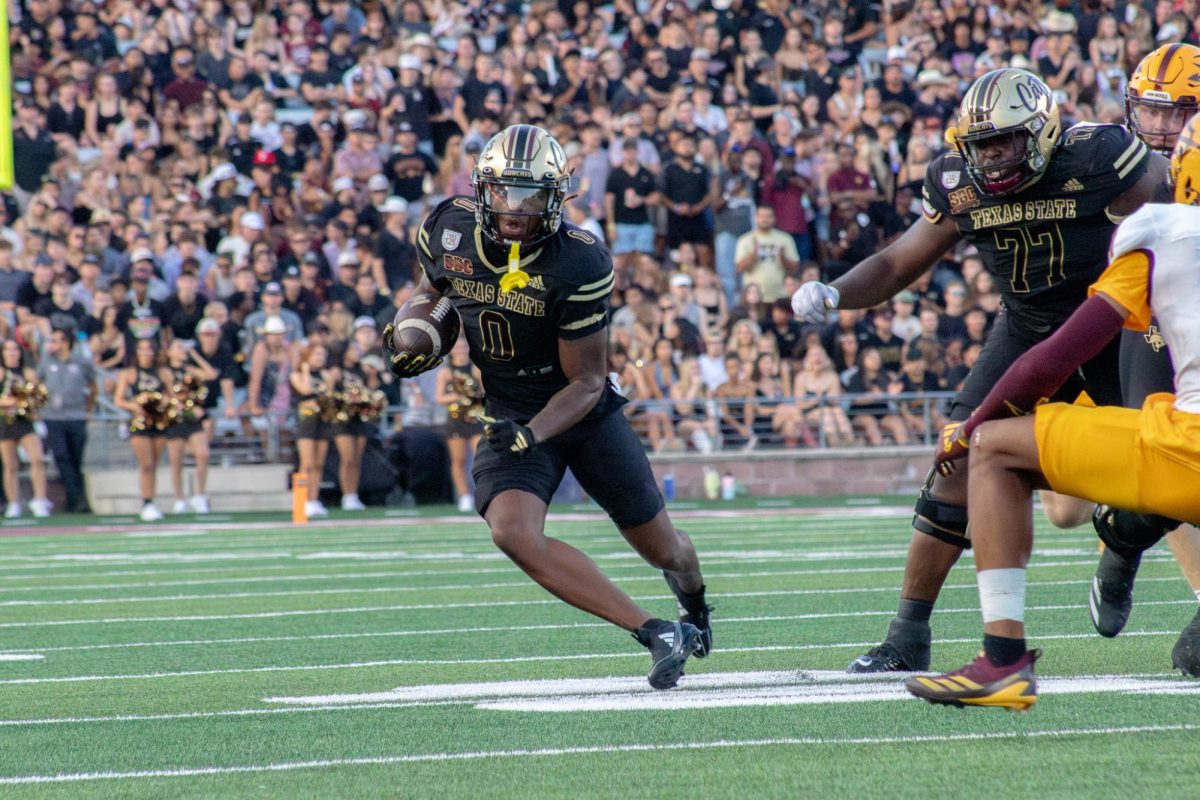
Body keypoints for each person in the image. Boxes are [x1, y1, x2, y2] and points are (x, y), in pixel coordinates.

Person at [791, 68, 1165, 673]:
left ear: (1042, 133)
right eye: (981, 145)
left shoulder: (1099, 157)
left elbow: (1178, 207)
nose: (991, 158)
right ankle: (907, 633)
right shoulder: (956, 182)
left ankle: (1120, 549)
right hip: (1022, 329)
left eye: (1006, 142)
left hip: (1108, 324)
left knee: (1158, 460)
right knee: (954, 461)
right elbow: (895, 263)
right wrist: (835, 293)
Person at [385, 124, 711, 689]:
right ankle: (655, 631)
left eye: (532, 196)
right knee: (512, 531)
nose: (516, 210)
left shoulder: (579, 262)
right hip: (510, 408)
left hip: (581, 416)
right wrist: (415, 329)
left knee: (663, 547)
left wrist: (534, 435)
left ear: (558, 197)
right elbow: (435, 288)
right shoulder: (447, 227)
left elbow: (586, 381)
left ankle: (694, 600)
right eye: (506, 193)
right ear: (483, 190)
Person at [907, 118, 1200, 709]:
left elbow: (1061, 354)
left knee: (992, 447)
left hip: (1189, 451)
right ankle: (1127, 533)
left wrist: (971, 423)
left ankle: (1003, 661)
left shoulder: (1164, 230)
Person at [1083, 43, 1200, 675]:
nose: (1159, 126)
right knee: (1160, 460)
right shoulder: (1109, 160)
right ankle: (1122, 546)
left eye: (1176, 112)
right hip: (1148, 314)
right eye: (1151, 110)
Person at [36, 328, 97, 514]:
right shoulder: (47, 362)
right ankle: (74, 498)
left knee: (76, 459)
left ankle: (79, 500)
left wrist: (88, 409)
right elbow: (38, 384)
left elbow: (92, 386)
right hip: (53, 417)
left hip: (76, 416)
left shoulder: (81, 362)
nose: (52, 344)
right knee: (61, 456)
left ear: (66, 342)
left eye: (56, 340)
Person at [113, 338, 173, 522]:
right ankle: (146, 502)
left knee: (154, 464)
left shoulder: (163, 372)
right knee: (145, 464)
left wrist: (163, 402)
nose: (145, 353)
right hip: (140, 423)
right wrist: (134, 406)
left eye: (149, 349)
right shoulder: (129, 374)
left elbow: (173, 396)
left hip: (159, 422)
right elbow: (119, 399)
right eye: (141, 349)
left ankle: (152, 500)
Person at [164, 339, 218, 514]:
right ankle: (179, 498)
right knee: (176, 461)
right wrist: (188, 407)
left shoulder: (188, 370)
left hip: (192, 420)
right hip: (175, 419)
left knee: (203, 454)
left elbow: (211, 374)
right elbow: (168, 395)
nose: (182, 351)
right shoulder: (166, 371)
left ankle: (199, 494)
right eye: (178, 347)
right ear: (169, 352)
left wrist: (194, 354)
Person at [0, 340, 51, 517]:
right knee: (10, 465)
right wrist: (8, 402)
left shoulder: (27, 372)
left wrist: (32, 403)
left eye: (15, 349)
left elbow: (39, 394)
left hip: (25, 421)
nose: (12, 353)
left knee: (37, 459)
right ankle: (14, 503)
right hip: (5, 422)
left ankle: (40, 500)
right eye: (8, 350)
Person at [435, 338, 485, 513]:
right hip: (456, 420)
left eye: (464, 347)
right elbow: (440, 398)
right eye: (457, 348)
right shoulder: (446, 372)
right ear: (451, 351)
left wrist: (474, 395)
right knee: (458, 460)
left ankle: (483, 494)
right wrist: (459, 395)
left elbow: (486, 392)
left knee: (481, 458)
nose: (461, 350)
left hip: (475, 418)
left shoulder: (476, 368)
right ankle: (464, 496)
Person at [290, 342, 333, 518]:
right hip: (306, 420)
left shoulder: (325, 374)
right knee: (306, 464)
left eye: (322, 354)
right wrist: (306, 369)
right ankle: (302, 501)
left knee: (318, 464)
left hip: (322, 419)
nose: (320, 358)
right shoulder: (297, 374)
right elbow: (306, 389)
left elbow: (329, 396)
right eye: (317, 354)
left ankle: (314, 500)